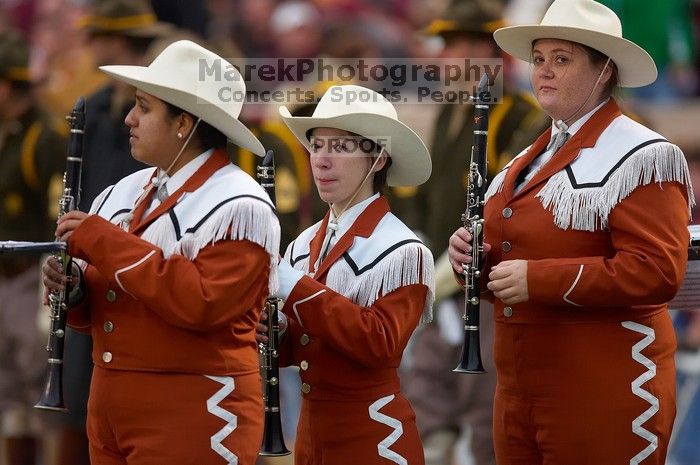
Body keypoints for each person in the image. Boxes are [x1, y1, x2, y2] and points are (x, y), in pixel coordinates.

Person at [446, 1, 694, 464]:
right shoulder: (526, 159)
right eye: (539, 60)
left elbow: (658, 272)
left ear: (604, 71)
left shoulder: (642, 154)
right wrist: (471, 264)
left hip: (603, 390)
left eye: (563, 60)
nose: (544, 72)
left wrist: (538, 280)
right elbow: (509, 258)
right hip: (519, 393)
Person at [42, 39, 280, 464]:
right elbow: (110, 303)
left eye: (144, 107)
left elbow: (202, 303)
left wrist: (103, 241)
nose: (129, 119)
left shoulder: (239, 204)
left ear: (184, 123)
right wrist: (74, 288)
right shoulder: (123, 191)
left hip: (198, 410)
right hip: (110, 408)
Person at [401, 2, 549, 464]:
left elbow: (510, 204)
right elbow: (433, 196)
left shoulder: (520, 116)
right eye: (444, 47)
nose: (445, 58)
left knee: (487, 396)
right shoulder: (452, 113)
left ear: (485, 51)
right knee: (426, 383)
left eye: (456, 47)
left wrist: (455, 271)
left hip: (491, 280)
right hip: (448, 272)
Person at [258, 84, 435, 465]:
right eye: (316, 146)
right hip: (310, 438)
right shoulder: (303, 243)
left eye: (340, 147)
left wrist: (290, 284)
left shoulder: (404, 249)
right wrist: (274, 332)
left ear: (379, 159)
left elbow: (378, 344)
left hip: (375, 441)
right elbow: (301, 348)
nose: (320, 160)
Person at [53, 3, 175, 463]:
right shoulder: (89, 107)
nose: (91, 48)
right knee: (82, 391)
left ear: (121, 43)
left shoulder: (156, 114)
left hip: (143, 261)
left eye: (99, 37)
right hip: (93, 265)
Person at [0, 29, 66, 465]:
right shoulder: (8, 134)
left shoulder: (46, 138)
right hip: (5, 276)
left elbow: (57, 220)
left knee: (36, 380)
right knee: (7, 386)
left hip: (30, 274)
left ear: (6, 85)